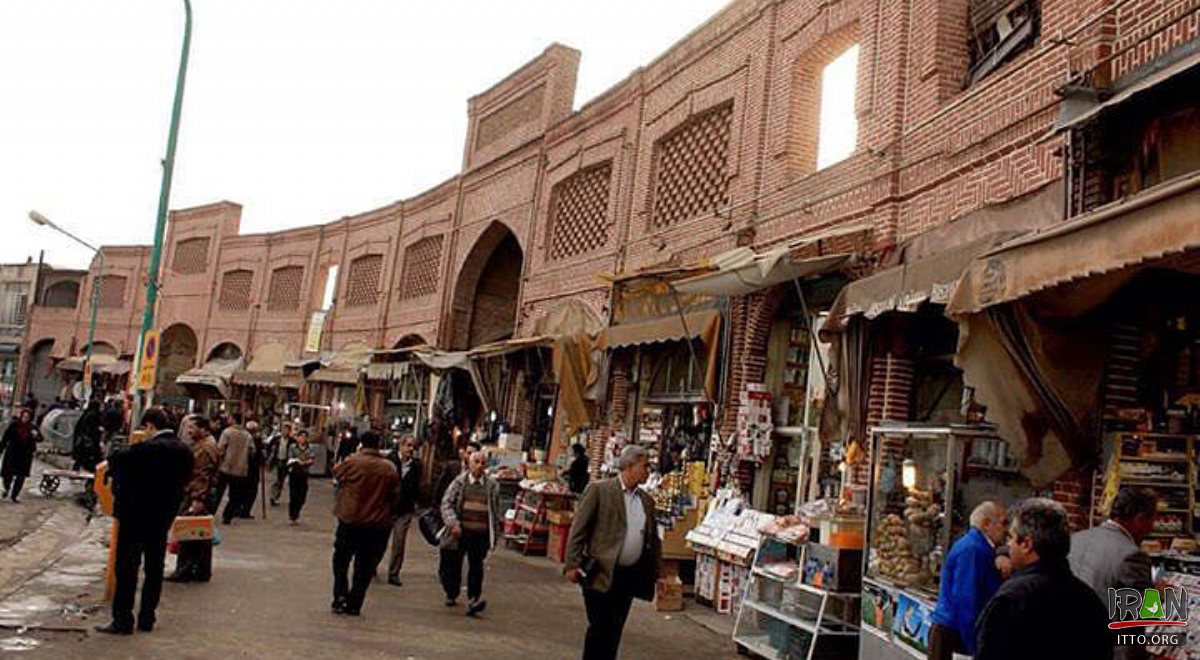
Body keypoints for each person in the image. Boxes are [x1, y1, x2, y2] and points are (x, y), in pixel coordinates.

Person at [975, 498, 1111, 660]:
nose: (1008, 544)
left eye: (1011, 537)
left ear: (1026, 544)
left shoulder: (1012, 599)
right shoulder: (1089, 599)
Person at [95, 407, 193, 635]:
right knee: (154, 568)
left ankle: (123, 619)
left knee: (127, 569)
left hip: (134, 517)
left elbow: (114, 462)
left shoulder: (143, 450)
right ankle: (147, 617)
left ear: (150, 426)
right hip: (162, 518)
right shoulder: (184, 452)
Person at [564, 444, 662, 660]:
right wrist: (571, 564)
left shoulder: (646, 501)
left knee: (615, 629)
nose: (648, 471)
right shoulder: (600, 490)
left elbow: (652, 540)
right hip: (600, 572)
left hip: (628, 576)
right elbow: (579, 529)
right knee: (600, 627)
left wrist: (657, 573)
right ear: (629, 465)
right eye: (645, 466)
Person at [1069, 487, 1158, 660]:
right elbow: (1146, 613)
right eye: (1152, 520)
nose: (1152, 527)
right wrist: (1156, 594)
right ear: (1140, 519)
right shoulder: (1131, 555)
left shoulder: (1076, 539)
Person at [330, 431, 400, 616]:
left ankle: (340, 596)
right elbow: (394, 495)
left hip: (349, 519)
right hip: (375, 523)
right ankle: (355, 602)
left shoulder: (352, 462)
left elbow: (336, 474)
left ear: (361, 444)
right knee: (365, 565)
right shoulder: (389, 468)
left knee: (341, 560)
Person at [928, 502, 1007, 660]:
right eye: (1003, 522)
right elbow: (966, 598)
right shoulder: (974, 549)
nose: (1006, 530)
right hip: (956, 632)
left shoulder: (974, 545)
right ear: (985, 524)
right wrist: (974, 645)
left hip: (953, 629)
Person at [439, 450, 503, 616]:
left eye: (483, 463)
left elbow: (495, 511)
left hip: (480, 534)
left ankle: (474, 599)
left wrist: (495, 534)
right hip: (460, 532)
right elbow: (447, 503)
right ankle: (451, 593)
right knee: (453, 564)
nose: (480, 466)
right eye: (476, 462)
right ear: (469, 463)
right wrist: (453, 523)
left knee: (476, 567)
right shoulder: (460, 483)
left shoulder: (492, 486)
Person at [168, 415, 221, 583]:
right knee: (200, 534)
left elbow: (201, 475)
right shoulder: (206, 444)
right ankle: (199, 570)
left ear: (203, 429)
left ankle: (185, 570)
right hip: (201, 493)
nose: (189, 431)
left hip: (198, 494)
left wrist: (197, 498)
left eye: (192, 428)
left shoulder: (205, 447)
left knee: (189, 533)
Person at [386, 433, 422, 586]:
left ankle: (394, 573)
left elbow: (417, 486)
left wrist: (416, 503)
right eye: (408, 445)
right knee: (379, 540)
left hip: (405, 509)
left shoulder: (416, 465)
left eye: (413, 446)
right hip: (387, 508)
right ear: (400, 446)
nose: (411, 449)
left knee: (399, 542)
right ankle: (371, 565)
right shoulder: (389, 461)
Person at [213, 418, 253, 525]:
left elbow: (220, 448)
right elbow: (252, 451)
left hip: (226, 467)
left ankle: (211, 513)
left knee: (218, 492)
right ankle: (227, 516)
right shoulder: (248, 435)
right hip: (240, 469)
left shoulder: (227, 432)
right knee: (234, 495)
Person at [1, 408, 39, 502]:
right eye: (24, 416)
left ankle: (14, 495)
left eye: (27, 417)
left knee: (20, 476)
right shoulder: (14, 425)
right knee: (7, 473)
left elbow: (40, 438)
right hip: (12, 453)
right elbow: (6, 437)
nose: (25, 418)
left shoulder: (32, 427)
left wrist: (36, 436)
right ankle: (7, 488)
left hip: (25, 455)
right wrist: (1, 448)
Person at [286, 429, 315, 525]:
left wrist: (306, 462)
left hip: (304, 473)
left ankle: (297, 510)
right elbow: (290, 458)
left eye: (305, 437)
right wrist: (297, 461)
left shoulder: (309, 448)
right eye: (301, 437)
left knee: (302, 495)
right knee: (293, 495)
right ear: (297, 438)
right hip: (294, 473)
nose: (303, 439)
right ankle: (293, 515)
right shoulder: (292, 447)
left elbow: (312, 458)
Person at [240, 420, 264, 518]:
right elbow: (259, 455)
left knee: (241, 490)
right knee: (251, 491)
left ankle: (239, 509)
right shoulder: (256, 440)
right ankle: (245, 510)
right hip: (252, 469)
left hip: (242, 468)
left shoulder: (243, 438)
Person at [267, 422, 295, 506]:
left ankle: (275, 497)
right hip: (276, 461)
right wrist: (268, 459)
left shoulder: (292, 441)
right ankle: (272, 497)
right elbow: (269, 448)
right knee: (275, 480)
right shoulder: (276, 439)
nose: (285, 431)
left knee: (280, 481)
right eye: (284, 429)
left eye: (287, 430)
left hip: (285, 463)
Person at [72, 399, 104, 472]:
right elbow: (92, 428)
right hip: (90, 440)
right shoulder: (93, 415)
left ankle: (77, 470)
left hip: (84, 439)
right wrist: (99, 429)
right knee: (93, 457)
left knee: (82, 457)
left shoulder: (86, 413)